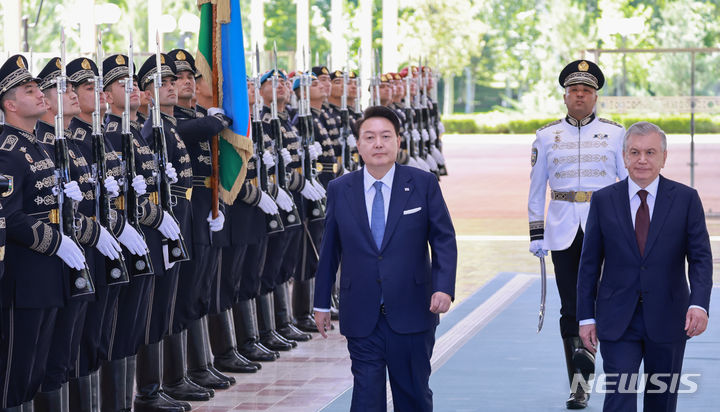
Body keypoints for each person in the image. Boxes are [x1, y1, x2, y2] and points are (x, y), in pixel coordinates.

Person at [314, 105, 457, 411]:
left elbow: (443, 239)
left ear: (398, 141)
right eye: (369, 137)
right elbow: (330, 250)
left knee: (413, 394)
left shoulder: (422, 183)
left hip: (413, 308)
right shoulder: (340, 189)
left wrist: (443, 287)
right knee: (366, 395)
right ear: (358, 145)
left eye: (385, 136)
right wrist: (321, 303)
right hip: (361, 311)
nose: (378, 143)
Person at [577, 121, 712, 412]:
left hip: (669, 318)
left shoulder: (686, 199)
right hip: (616, 320)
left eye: (650, 152)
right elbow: (589, 264)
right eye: (635, 152)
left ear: (664, 157)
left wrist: (699, 305)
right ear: (624, 156)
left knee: (661, 401)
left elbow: (700, 258)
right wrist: (586, 316)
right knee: (619, 398)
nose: (642, 160)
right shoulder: (603, 200)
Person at [528, 59, 627, 409]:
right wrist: (536, 233)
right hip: (563, 229)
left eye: (587, 91)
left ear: (595, 96)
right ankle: (579, 384)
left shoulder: (617, 134)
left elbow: (627, 185)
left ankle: (616, 373)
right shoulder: (546, 136)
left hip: (607, 229)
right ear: (565, 96)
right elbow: (536, 187)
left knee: (611, 303)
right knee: (571, 308)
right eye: (574, 91)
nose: (580, 96)